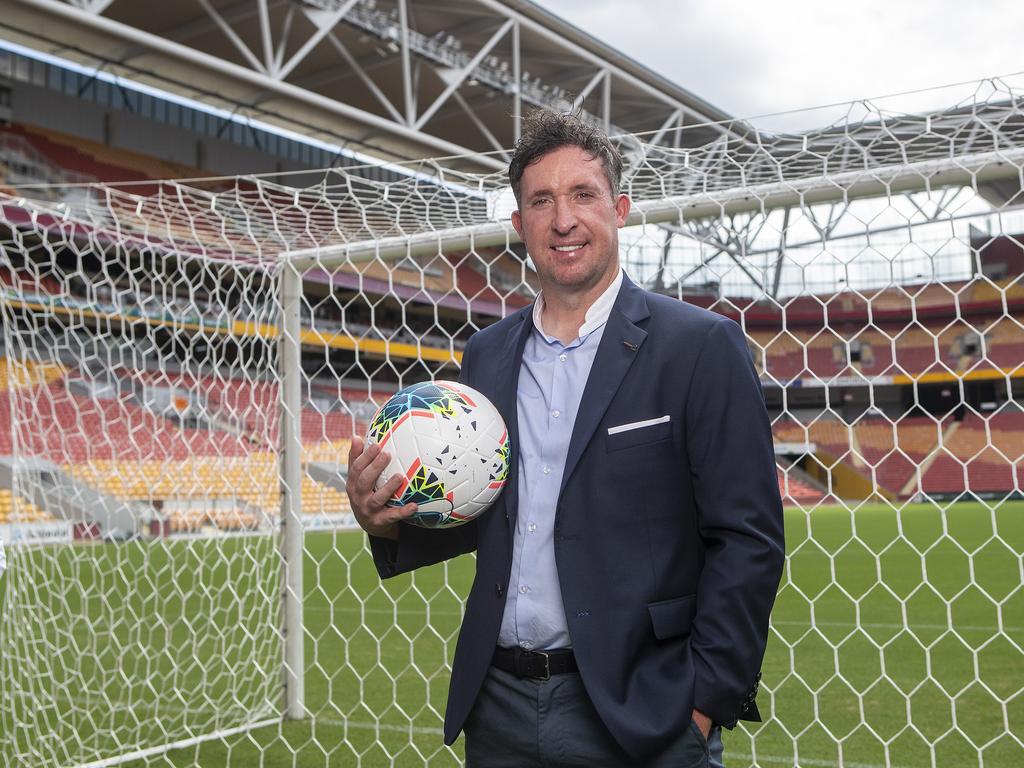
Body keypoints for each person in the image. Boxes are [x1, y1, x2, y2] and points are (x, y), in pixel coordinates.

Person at [346, 109, 786, 767]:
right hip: (497, 704)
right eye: (541, 201)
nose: (563, 219)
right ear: (519, 223)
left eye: (583, 195)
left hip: (641, 710)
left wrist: (702, 704)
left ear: (621, 207)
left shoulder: (699, 346)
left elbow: (748, 538)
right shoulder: (487, 356)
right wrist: (384, 520)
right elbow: (487, 510)